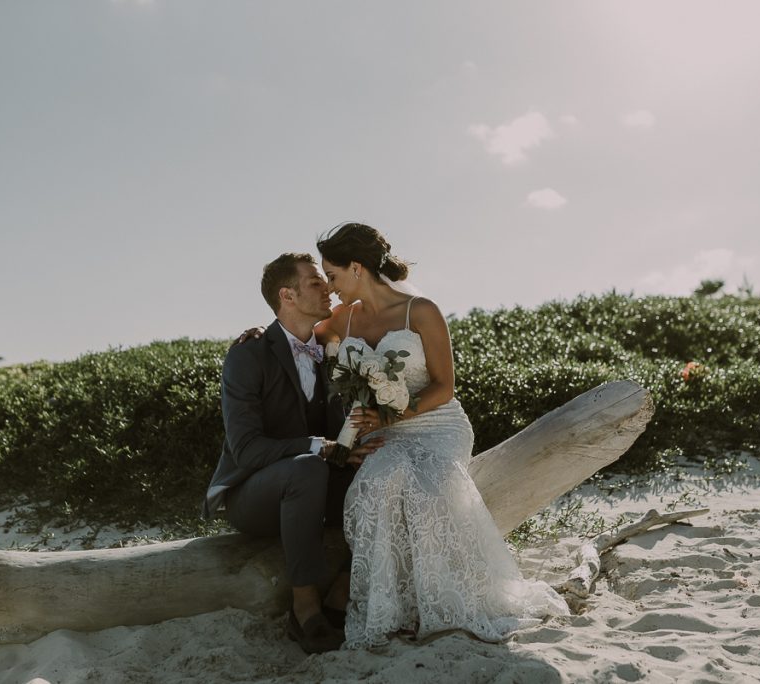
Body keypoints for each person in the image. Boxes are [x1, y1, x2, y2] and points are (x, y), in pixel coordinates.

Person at [313, 222, 571, 649]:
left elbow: (443, 387)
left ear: (357, 268)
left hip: (437, 424)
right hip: (386, 433)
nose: (331, 287)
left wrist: (394, 417)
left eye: (334, 276)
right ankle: (389, 606)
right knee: (378, 481)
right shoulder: (346, 317)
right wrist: (259, 334)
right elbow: (304, 334)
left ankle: (429, 604)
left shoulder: (421, 310)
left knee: (424, 490)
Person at [203, 252, 382, 654]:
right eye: (316, 282)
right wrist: (320, 448)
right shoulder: (248, 354)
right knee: (306, 468)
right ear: (287, 295)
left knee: (387, 473)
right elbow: (246, 450)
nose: (327, 289)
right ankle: (304, 609)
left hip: (315, 484)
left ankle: (342, 590)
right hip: (253, 494)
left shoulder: (330, 348)